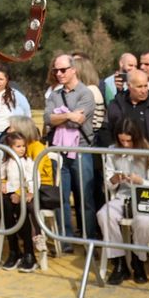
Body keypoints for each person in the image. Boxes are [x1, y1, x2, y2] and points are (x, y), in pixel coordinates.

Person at [45, 53, 99, 247]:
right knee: (61, 197)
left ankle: (88, 240)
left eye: (63, 70)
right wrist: (68, 115)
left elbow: (79, 121)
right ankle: (65, 241)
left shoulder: (86, 93)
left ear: (73, 70)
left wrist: (59, 116)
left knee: (85, 197)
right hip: (59, 151)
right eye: (56, 70)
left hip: (81, 150)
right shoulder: (54, 94)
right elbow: (47, 118)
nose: (58, 74)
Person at [98, 119, 149, 284]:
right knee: (104, 214)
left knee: (144, 220)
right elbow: (108, 185)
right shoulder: (112, 151)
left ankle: (138, 260)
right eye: (121, 141)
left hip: (145, 197)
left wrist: (140, 181)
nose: (125, 144)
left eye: (128, 141)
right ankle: (119, 262)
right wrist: (114, 179)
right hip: (122, 196)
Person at [0, 124, 39, 272]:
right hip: (9, 195)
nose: (22, 149)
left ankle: (29, 253)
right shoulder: (6, 163)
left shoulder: (28, 162)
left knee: (22, 211)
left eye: (23, 146)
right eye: (18, 146)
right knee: (3, 206)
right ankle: (14, 250)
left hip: (23, 196)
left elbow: (34, 179)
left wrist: (28, 193)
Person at [105, 69, 149, 146]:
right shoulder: (116, 105)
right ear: (129, 86)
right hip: (121, 150)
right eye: (139, 87)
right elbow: (105, 130)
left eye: (145, 86)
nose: (143, 91)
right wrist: (112, 147)